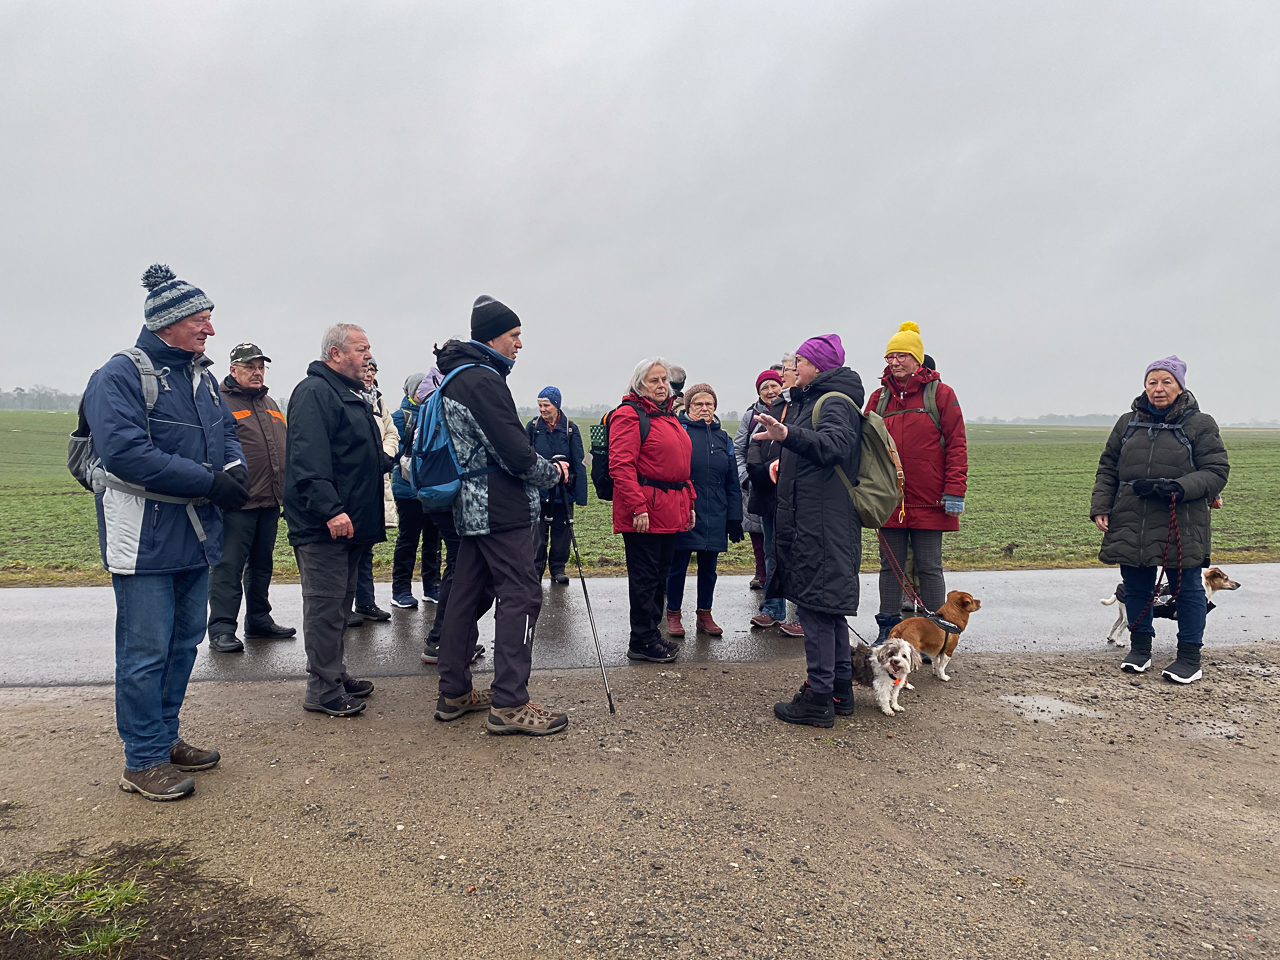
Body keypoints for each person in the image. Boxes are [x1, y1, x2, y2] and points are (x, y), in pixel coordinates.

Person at [84, 263, 248, 801]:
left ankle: (164, 737)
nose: (210, 329)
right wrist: (210, 482)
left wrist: (234, 470)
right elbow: (125, 453)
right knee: (145, 651)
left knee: (183, 644)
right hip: (144, 535)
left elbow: (226, 433)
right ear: (167, 323)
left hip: (195, 532)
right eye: (201, 320)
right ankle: (142, 760)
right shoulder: (118, 375)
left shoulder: (201, 377)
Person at [432, 296, 570, 736]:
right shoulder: (482, 380)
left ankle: (454, 692)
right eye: (514, 335)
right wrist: (554, 473)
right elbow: (515, 453)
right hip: (500, 507)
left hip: (471, 507)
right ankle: (510, 703)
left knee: (466, 595)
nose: (519, 344)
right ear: (492, 338)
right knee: (522, 596)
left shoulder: (456, 376)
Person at [1090, 356, 1229, 683]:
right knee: (1136, 586)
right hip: (1131, 517)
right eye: (1152, 382)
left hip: (1181, 519)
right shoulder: (1127, 423)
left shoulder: (1200, 424)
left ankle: (1190, 658)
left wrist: (1179, 487)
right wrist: (1101, 506)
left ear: (1180, 386)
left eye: (1167, 381)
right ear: (1145, 386)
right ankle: (1140, 650)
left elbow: (1216, 471)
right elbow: (1108, 467)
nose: (1159, 388)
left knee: (1187, 590)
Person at [753, 334, 864, 727]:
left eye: (798, 361)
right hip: (818, 521)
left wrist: (787, 435)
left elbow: (833, 445)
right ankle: (839, 690)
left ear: (817, 366)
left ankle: (818, 698)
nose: (792, 367)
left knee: (817, 611)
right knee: (827, 611)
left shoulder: (833, 401)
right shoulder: (815, 399)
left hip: (822, 525)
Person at [283, 323, 392, 717]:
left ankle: (334, 674)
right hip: (324, 525)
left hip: (350, 524)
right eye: (361, 349)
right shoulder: (315, 392)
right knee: (325, 608)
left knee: (340, 607)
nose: (368, 356)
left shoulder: (349, 393)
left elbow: (357, 454)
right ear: (336, 353)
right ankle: (322, 690)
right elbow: (308, 460)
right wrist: (330, 509)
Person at [865, 323, 969, 644]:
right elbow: (865, 447)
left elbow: (957, 445)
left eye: (902, 356)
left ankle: (933, 635)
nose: (895, 362)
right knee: (891, 569)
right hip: (890, 500)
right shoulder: (879, 398)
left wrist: (954, 490)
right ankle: (888, 631)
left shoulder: (941, 395)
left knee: (929, 567)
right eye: (890, 356)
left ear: (917, 359)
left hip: (930, 499)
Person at [206, 342, 295, 653]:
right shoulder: (219, 401)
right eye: (249, 367)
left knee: (261, 565)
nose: (257, 373)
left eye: (260, 367)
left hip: (269, 500)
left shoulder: (269, 403)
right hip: (237, 501)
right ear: (233, 370)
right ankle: (221, 628)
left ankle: (258, 621)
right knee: (228, 566)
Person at [610, 357, 695, 664]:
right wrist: (637, 507)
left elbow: (680, 467)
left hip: (669, 508)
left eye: (664, 380)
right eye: (654, 380)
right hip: (645, 512)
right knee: (645, 578)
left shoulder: (665, 415)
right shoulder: (629, 415)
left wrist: (689, 502)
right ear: (639, 385)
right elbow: (621, 466)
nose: (662, 386)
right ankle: (641, 640)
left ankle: (651, 634)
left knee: (659, 576)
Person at [665, 383, 741, 637]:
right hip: (685, 508)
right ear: (689, 407)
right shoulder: (679, 432)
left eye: (709, 404)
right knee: (677, 566)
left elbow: (732, 480)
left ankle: (704, 614)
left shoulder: (723, 438)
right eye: (699, 404)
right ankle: (673, 614)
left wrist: (735, 517)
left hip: (716, 510)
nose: (705, 408)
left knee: (709, 569)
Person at [349, 358, 398, 625]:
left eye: (373, 370)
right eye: (366, 368)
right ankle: (343, 607)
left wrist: (384, 456)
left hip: (376, 479)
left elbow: (392, 433)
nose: (369, 373)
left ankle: (366, 602)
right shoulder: (347, 396)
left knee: (366, 547)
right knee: (347, 549)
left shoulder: (378, 400)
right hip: (353, 482)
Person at [389, 371, 443, 609]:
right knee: (408, 540)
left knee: (433, 540)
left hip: (433, 490)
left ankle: (432, 587)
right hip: (408, 490)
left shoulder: (438, 413)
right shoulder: (399, 418)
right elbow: (394, 451)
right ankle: (400, 589)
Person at [526, 386, 587, 584]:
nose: (542, 409)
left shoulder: (570, 428)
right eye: (540, 405)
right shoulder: (532, 427)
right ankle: (535, 569)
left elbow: (579, 461)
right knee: (537, 533)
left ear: (557, 406)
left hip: (563, 492)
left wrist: (580, 495)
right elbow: (525, 457)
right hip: (539, 491)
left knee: (562, 533)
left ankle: (558, 568)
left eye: (546, 405)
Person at [734, 370, 783, 590]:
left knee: (781, 545)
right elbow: (739, 449)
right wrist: (745, 478)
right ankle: (765, 587)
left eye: (774, 386)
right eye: (765, 388)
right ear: (758, 392)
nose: (770, 391)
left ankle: (782, 593)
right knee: (760, 543)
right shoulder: (750, 416)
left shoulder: (790, 411)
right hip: (755, 486)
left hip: (782, 488)